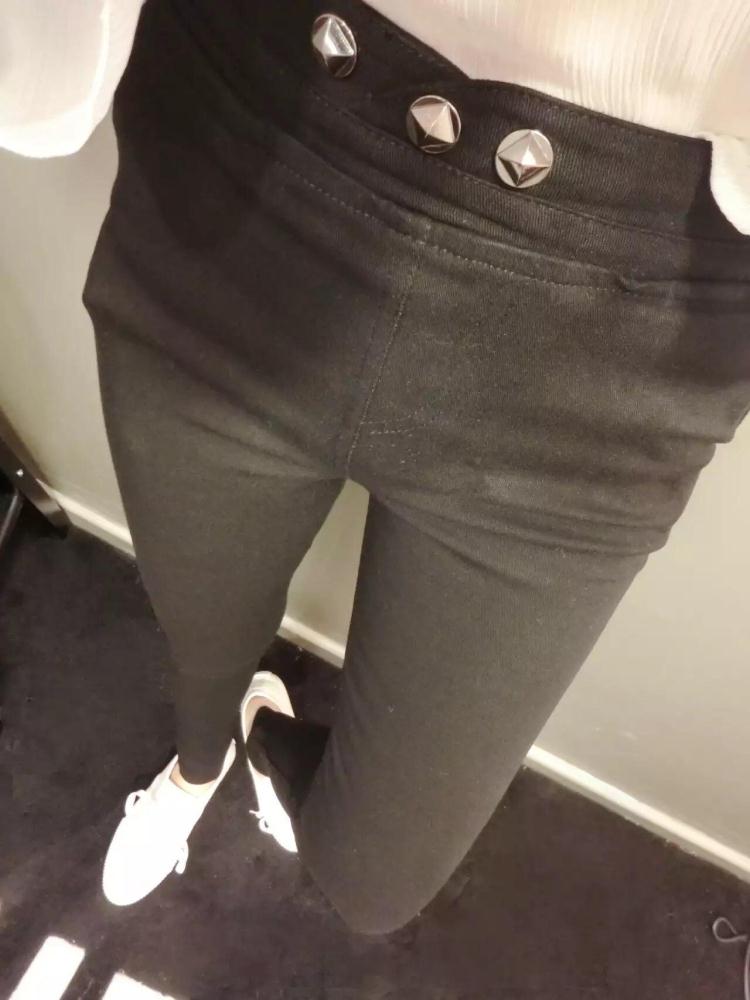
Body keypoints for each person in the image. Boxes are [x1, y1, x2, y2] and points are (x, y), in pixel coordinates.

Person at [4, 0, 749, 936]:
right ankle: (199, 764)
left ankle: (263, 736)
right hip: (251, 156)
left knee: (372, 882)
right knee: (202, 635)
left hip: (626, 325)